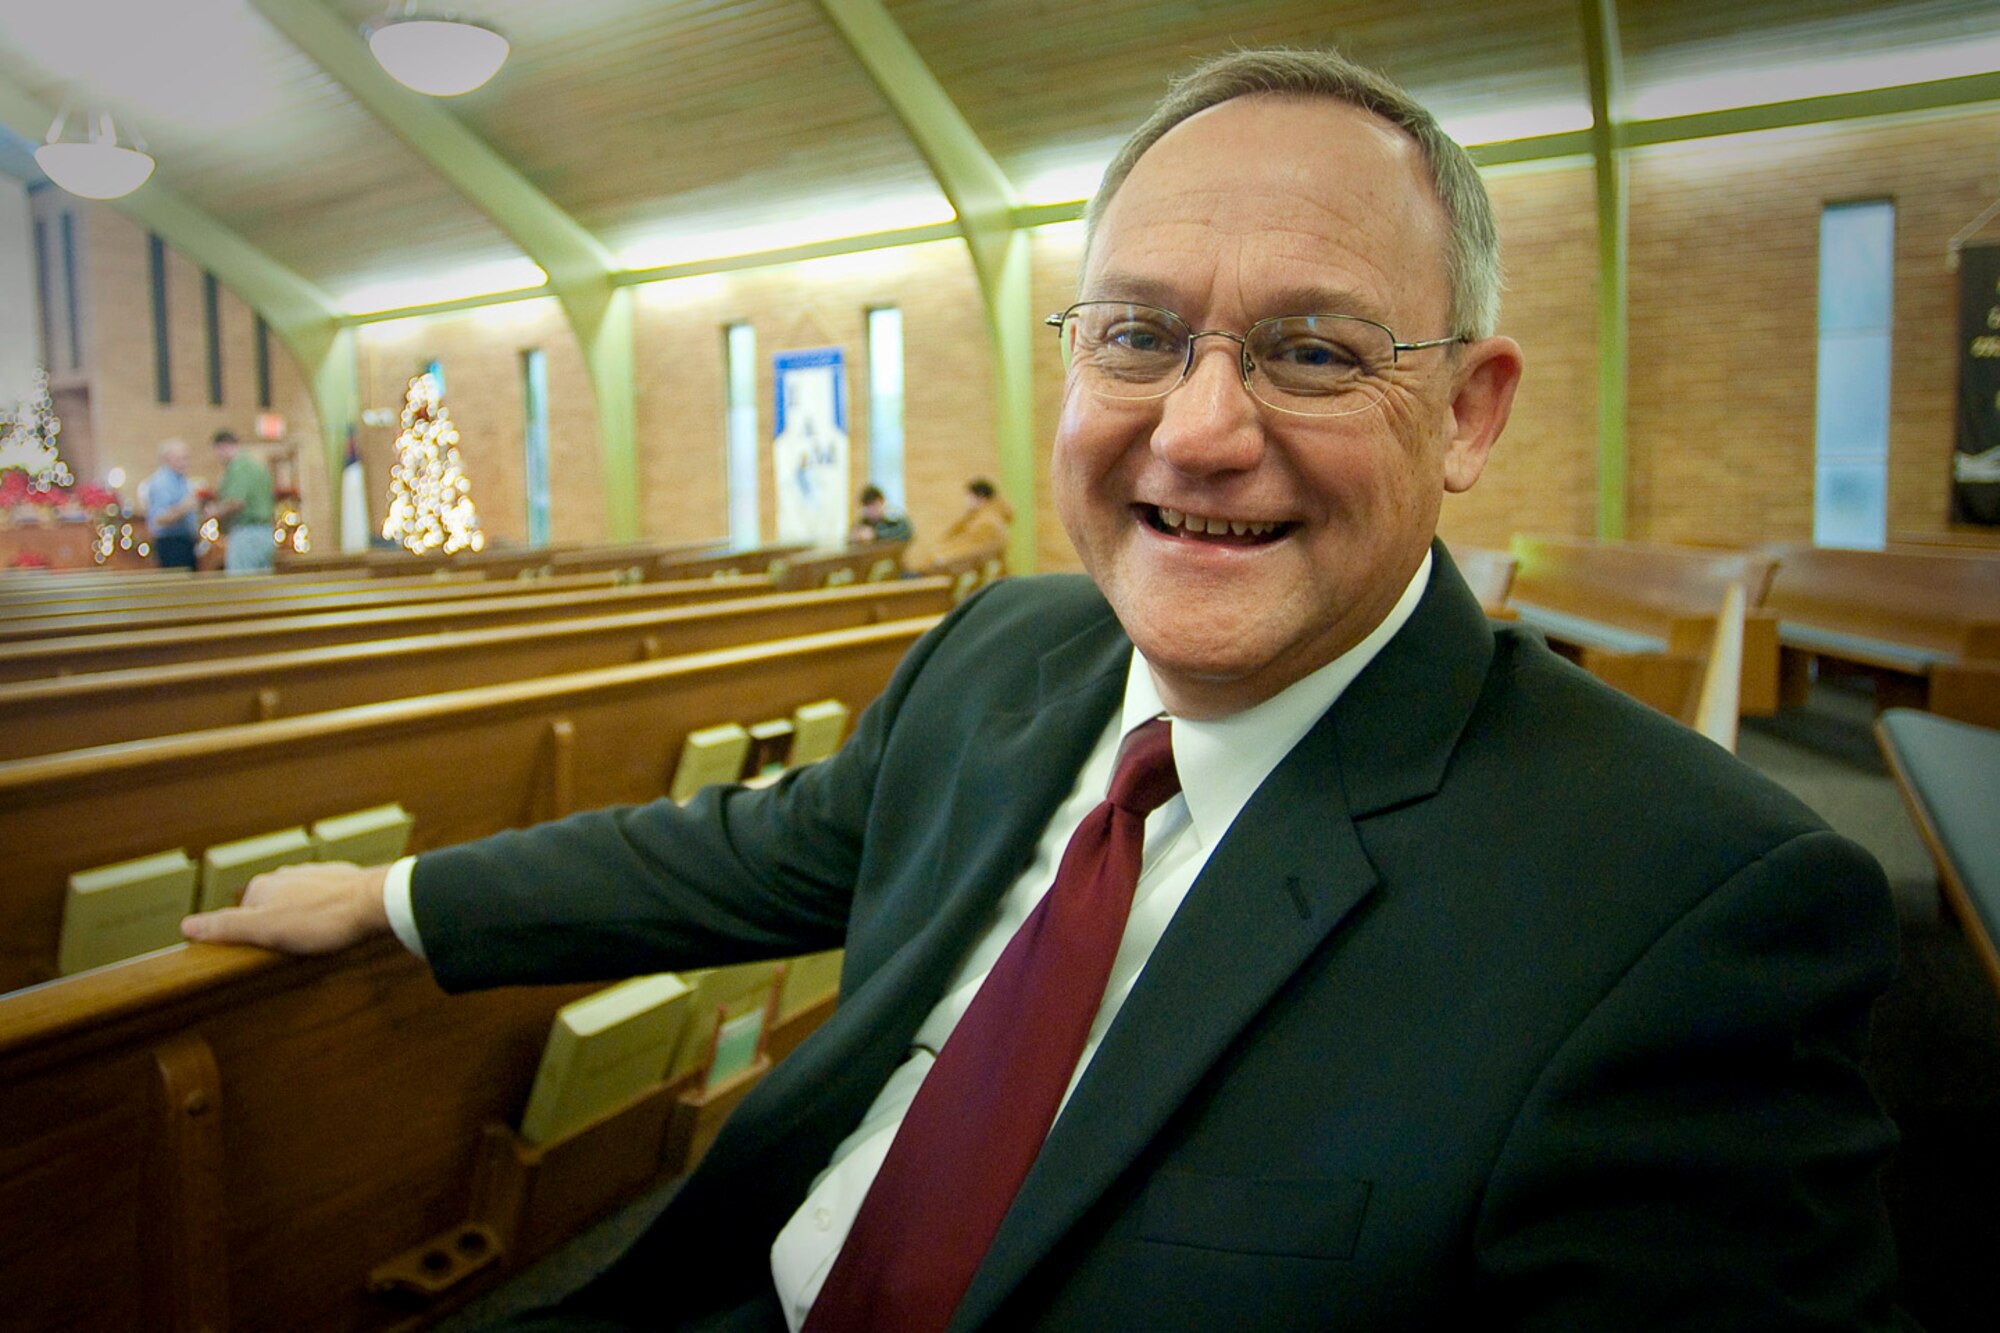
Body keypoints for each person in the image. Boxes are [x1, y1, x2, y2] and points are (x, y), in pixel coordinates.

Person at [183, 47, 1913, 1332]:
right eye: (1139, 336)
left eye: (1312, 349)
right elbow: (749, 846)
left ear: (1467, 412)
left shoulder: (1692, 912)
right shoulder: (1012, 651)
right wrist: (397, 894)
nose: (1202, 429)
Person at [208, 429, 275, 574]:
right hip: (265, 532)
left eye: (217, 452)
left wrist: (214, 511)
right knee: (263, 587)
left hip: (247, 533)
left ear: (223, 447)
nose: (217, 457)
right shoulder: (254, 465)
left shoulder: (238, 467)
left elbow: (235, 502)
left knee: (242, 585)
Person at [921, 476, 1011, 571]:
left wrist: (939, 559)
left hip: (963, 574)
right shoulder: (976, 519)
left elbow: (973, 552)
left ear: (980, 497)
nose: (965, 500)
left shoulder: (988, 524)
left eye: (968, 496)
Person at [138, 438, 200, 570]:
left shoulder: (181, 480)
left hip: (186, 542)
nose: (185, 463)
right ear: (167, 459)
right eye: (180, 459)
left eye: (186, 458)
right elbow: (159, 518)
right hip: (171, 544)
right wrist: (185, 507)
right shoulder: (162, 483)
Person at [848, 484, 912, 545]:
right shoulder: (862, 523)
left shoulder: (892, 519)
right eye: (868, 507)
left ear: (882, 502)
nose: (872, 510)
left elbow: (906, 531)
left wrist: (875, 534)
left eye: (874, 505)